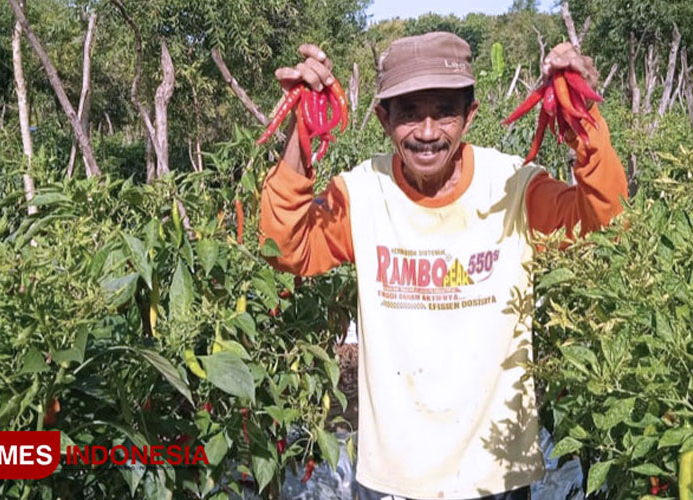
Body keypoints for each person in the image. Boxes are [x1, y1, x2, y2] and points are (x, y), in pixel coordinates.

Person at [259, 32, 627, 500]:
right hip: (393, 478)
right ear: (383, 119)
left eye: (445, 111)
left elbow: (604, 219)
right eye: (409, 112)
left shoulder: (512, 187)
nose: (427, 131)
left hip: (495, 473)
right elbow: (283, 246)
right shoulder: (362, 194)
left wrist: (585, 120)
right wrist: (302, 130)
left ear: (470, 116)